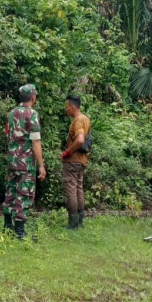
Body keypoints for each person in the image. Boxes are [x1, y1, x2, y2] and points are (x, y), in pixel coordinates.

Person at [3, 83, 46, 239]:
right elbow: (35, 141)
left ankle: (7, 227)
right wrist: (41, 165)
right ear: (33, 97)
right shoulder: (32, 114)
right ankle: (19, 232)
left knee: (10, 192)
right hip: (26, 163)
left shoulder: (11, 113)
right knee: (24, 194)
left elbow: (7, 133)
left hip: (12, 160)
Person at [60, 94, 90, 229]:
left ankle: (73, 223)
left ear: (72, 107)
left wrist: (68, 152)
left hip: (73, 161)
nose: (66, 109)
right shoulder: (85, 118)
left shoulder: (78, 120)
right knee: (78, 189)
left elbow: (80, 139)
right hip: (81, 161)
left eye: (67, 107)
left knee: (71, 190)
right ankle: (80, 220)